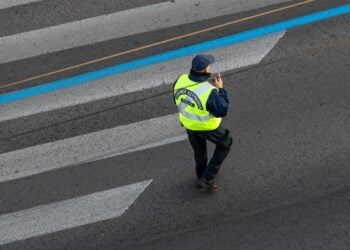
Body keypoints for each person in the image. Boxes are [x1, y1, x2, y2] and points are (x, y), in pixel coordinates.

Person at [173, 54, 232, 191]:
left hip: (188, 124)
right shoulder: (209, 91)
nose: (210, 66)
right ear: (205, 69)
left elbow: (176, 99)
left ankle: (201, 176)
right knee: (226, 143)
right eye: (209, 65)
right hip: (207, 127)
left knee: (199, 152)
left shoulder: (180, 80)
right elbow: (222, 110)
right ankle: (208, 177)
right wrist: (220, 89)